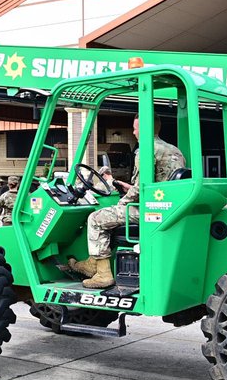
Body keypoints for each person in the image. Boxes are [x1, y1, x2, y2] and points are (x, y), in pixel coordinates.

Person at [69, 118, 185, 289]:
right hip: (167, 207)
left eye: (135, 129)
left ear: (144, 129)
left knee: (95, 218)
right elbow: (156, 186)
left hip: (149, 211)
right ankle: (93, 262)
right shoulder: (175, 151)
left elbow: (139, 190)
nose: (133, 132)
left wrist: (123, 202)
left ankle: (102, 273)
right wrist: (125, 186)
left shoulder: (146, 151)